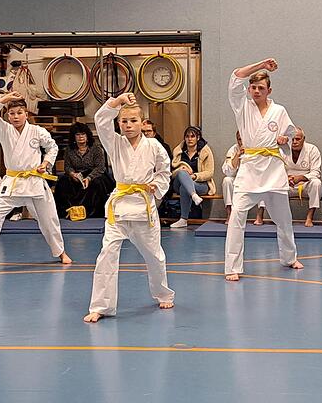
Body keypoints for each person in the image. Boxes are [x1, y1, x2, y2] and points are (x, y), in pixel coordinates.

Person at [83, 92, 174, 323]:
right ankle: (100, 306)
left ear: (143, 123)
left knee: (154, 255)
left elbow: (165, 170)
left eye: (133, 121)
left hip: (143, 206)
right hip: (119, 207)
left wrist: (157, 185)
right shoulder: (114, 142)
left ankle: (163, 293)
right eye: (124, 121)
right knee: (106, 255)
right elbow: (100, 120)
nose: (128, 125)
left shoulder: (153, 145)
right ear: (119, 123)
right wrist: (118, 101)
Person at [0, 92, 72, 273]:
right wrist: (6, 98)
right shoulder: (3, 129)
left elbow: (52, 147)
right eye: (12, 113)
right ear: (8, 116)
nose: (15, 117)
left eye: (19, 113)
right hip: (12, 182)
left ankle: (61, 252)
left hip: (34, 181)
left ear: (26, 114)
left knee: (49, 220)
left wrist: (46, 163)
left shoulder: (37, 131)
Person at [224, 58, 303, 281]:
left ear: (269, 90)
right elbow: (236, 74)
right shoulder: (242, 106)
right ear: (249, 89)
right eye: (253, 87)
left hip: (273, 169)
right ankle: (232, 266)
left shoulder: (279, 111)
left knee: (284, 219)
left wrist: (283, 139)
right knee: (237, 216)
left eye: (261, 88)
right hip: (249, 169)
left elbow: (291, 133)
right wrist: (260, 66)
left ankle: (289, 257)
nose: (256, 91)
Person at [53, 122, 114, 219]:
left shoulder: (96, 148)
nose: (81, 137)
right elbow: (67, 166)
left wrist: (89, 178)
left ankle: (93, 213)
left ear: (87, 135)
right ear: (74, 137)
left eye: (83, 134)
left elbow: (100, 167)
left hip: (94, 174)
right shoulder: (69, 149)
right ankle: (67, 212)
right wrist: (72, 174)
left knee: (97, 183)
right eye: (78, 134)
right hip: (76, 174)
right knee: (62, 182)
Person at [169, 126, 216, 228]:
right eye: (187, 136)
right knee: (182, 172)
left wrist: (194, 176)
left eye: (192, 136)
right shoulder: (179, 152)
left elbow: (209, 172)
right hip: (179, 181)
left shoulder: (205, 151)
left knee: (184, 188)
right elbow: (171, 173)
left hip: (200, 184)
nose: (189, 139)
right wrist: (182, 170)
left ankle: (183, 220)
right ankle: (194, 196)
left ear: (198, 138)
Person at [281, 127, 322, 226]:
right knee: (274, 184)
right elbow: (277, 170)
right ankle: (283, 218)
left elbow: (316, 172)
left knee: (316, 183)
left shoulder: (312, 149)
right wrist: (286, 179)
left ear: (304, 139)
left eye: (298, 139)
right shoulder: (282, 151)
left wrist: (300, 177)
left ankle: (309, 217)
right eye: (292, 139)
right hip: (288, 184)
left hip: (306, 185)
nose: (294, 142)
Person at [221, 131, 243, 223]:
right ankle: (229, 213)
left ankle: (259, 215)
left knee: (262, 182)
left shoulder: (255, 147)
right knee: (227, 180)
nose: (241, 142)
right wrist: (237, 156)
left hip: (252, 179)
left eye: (243, 139)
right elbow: (228, 172)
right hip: (238, 179)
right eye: (239, 139)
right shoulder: (233, 149)